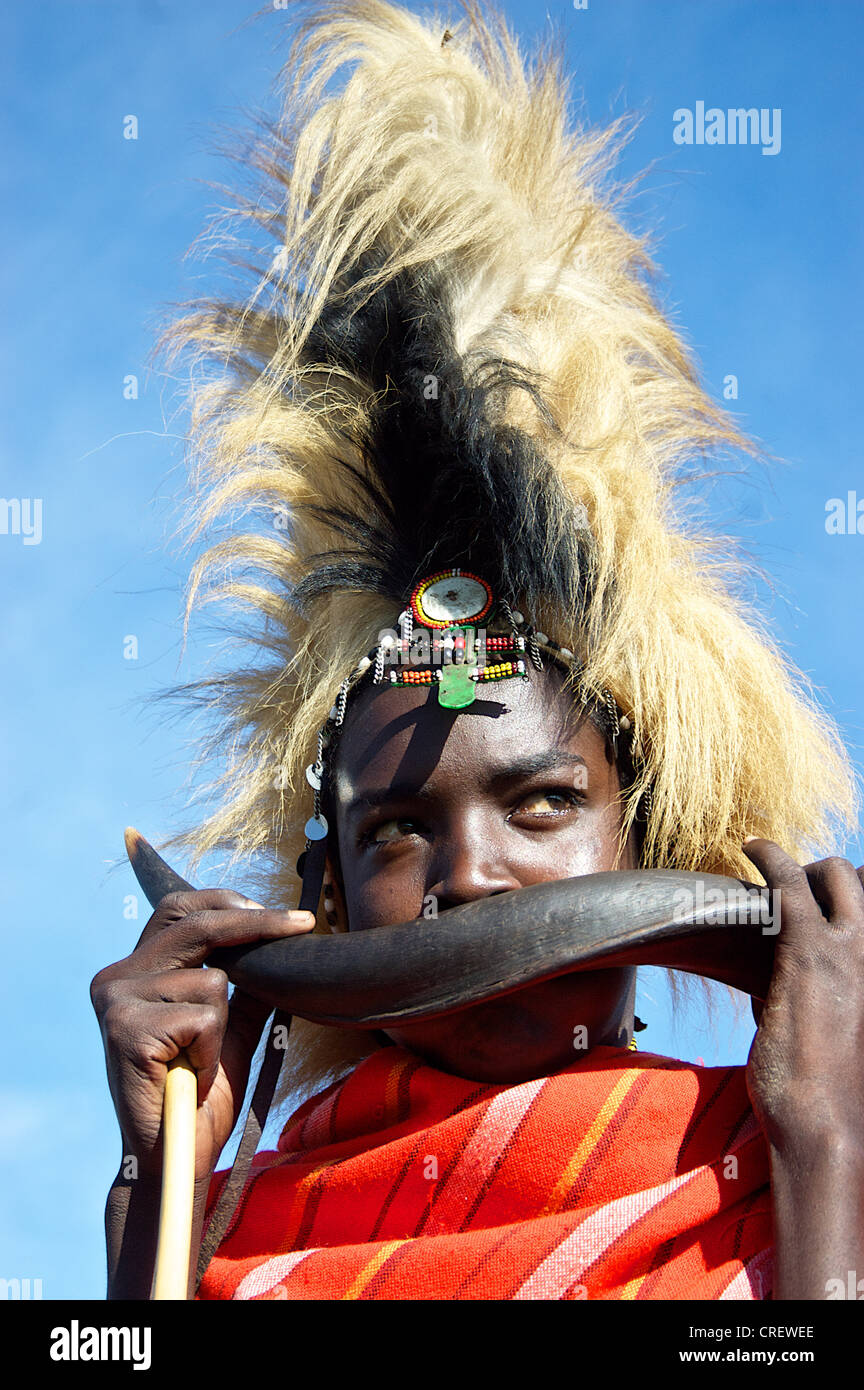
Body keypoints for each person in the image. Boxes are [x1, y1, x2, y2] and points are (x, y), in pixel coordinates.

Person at [91, 0, 863, 1300]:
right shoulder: (234, 1229)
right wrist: (152, 1195)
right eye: (394, 828)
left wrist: (827, 1147)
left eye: (546, 799)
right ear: (323, 894)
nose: (470, 875)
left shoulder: (782, 1160)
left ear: (648, 836)